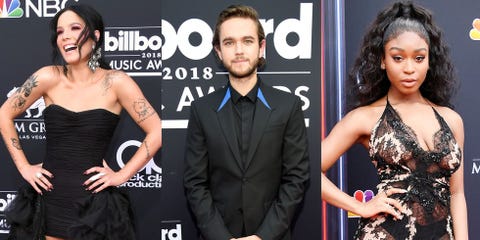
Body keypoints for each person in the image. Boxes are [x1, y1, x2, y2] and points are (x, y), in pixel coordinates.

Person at [0, 4, 162, 240]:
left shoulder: (117, 82)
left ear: (95, 36)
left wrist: (122, 175)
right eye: (60, 31)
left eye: (75, 28)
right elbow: (4, 114)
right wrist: (24, 167)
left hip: (95, 208)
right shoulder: (47, 77)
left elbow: (156, 130)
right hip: (48, 201)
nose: (65, 36)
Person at [321, 1, 468, 239]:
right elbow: (306, 171)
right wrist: (359, 206)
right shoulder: (365, 118)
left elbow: (457, 194)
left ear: (429, 61)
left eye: (419, 58)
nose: (409, 68)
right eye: (398, 58)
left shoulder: (452, 120)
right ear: (383, 60)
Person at [183, 5, 310, 240]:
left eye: (247, 41)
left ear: (261, 47)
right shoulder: (202, 110)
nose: (239, 50)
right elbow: (195, 184)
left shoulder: (288, 106)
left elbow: (296, 179)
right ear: (218, 51)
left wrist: (262, 236)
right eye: (229, 42)